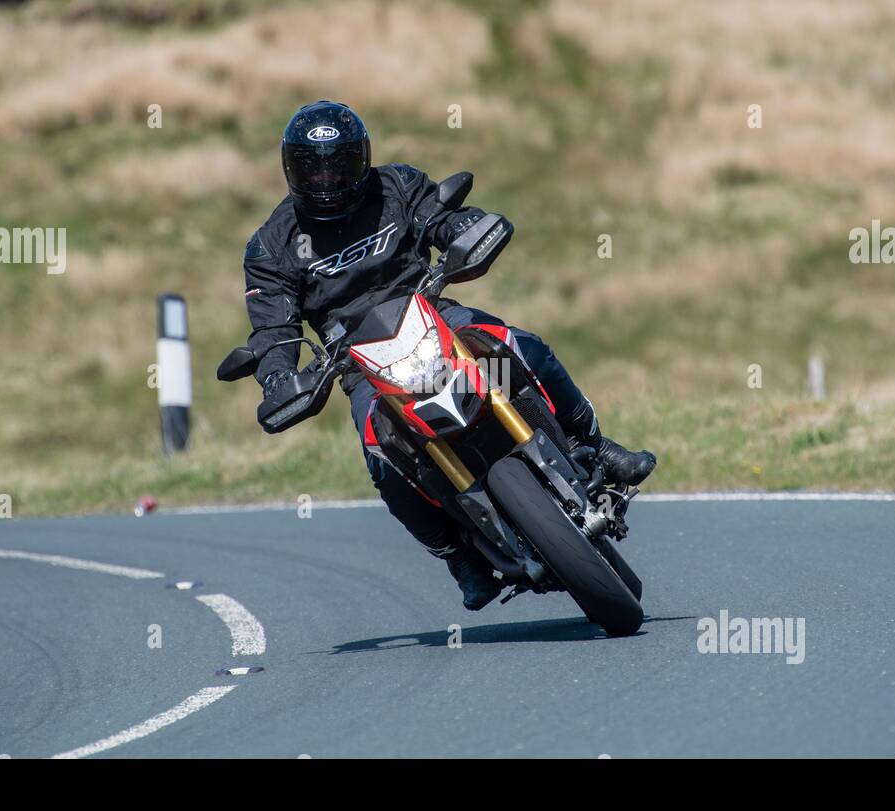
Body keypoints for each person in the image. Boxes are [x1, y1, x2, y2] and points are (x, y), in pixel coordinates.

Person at [243, 101, 656, 610]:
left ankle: (594, 442)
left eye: (339, 163)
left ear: (362, 158)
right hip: (361, 368)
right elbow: (272, 332)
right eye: (314, 166)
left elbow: (441, 216)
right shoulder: (271, 246)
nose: (328, 177)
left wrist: (467, 227)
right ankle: (456, 555)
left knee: (519, 348)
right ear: (291, 169)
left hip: (438, 317)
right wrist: (278, 377)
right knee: (381, 455)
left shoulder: (395, 186)